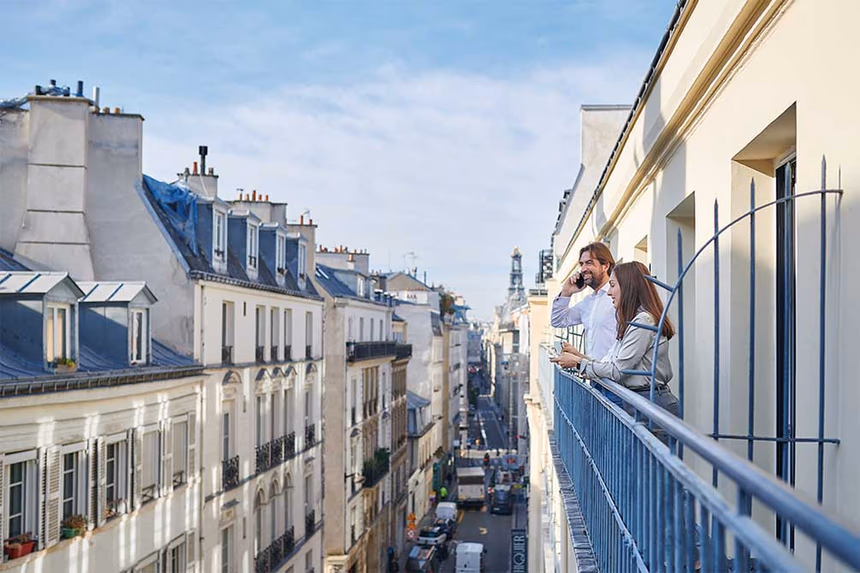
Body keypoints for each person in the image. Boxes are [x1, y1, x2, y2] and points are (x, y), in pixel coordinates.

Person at [551, 261, 679, 438]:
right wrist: (579, 357)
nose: (609, 292)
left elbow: (617, 370)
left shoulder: (643, 321)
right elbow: (614, 365)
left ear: (629, 287)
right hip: (643, 403)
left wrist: (579, 362)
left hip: (650, 405)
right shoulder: (636, 320)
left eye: (612, 285)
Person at [551, 242, 619, 403]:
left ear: (605, 266)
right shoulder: (588, 302)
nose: (583, 269)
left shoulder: (617, 296)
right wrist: (567, 292)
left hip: (617, 384)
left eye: (589, 262)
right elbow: (558, 320)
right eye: (581, 264)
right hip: (595, 380)